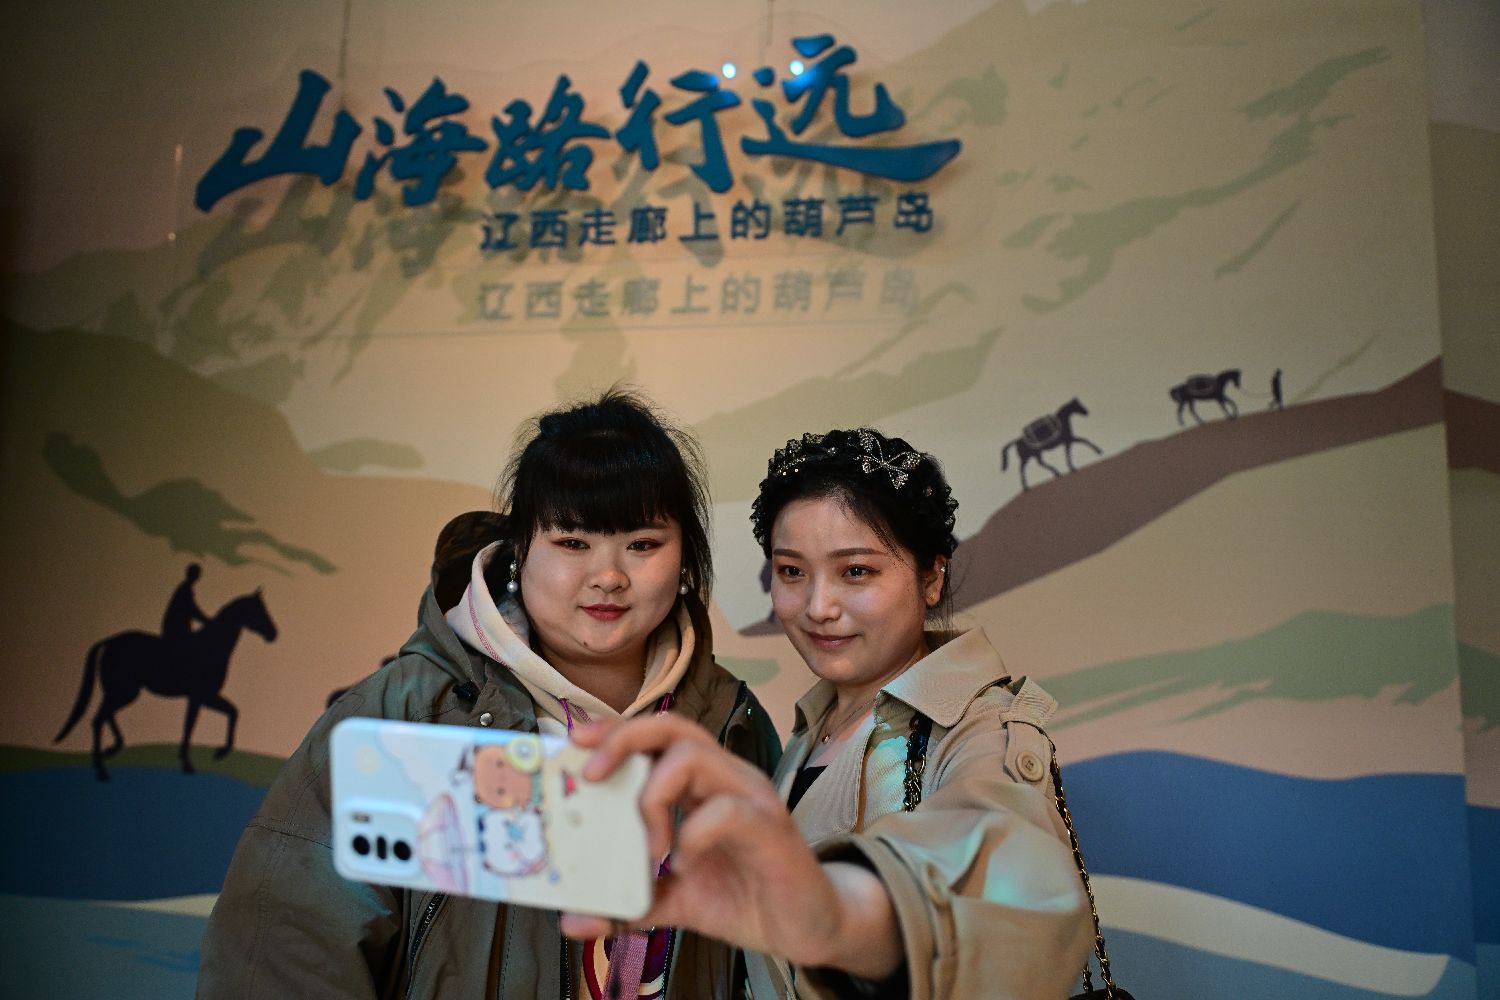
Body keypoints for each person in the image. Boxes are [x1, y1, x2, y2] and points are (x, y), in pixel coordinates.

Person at [197, 389, 780, 1000]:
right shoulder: (408, 715)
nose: (609, 576)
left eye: (643, 544)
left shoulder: (730, 726)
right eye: (572, 542)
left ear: (685, 555)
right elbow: (284, 956)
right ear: (520, 548)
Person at [563, 427, 1092, 999]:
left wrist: (841, 918)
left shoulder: (980, 730)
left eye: (856, 571)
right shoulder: (808, 730)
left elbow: (1025, 902)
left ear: (932, 577)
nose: (818, 607)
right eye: (792, 571)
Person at [161, 562, 208, 641]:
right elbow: (192, 609)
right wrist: (206, 620)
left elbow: (192, 609)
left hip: (177, 627)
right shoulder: (185, 589)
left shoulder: (185, 588)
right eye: (197, 573)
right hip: (176, 628)